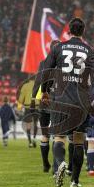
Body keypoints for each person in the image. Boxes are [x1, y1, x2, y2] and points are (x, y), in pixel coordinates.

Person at [41, 17, 94, 187]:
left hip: (61, 99)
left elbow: (47, 70)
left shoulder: (58, 47)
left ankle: (60, 164)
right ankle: (75, 180)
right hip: (81, 102)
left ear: (69, 30)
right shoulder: (90, 51)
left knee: (59, 137)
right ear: (83, 31)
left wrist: (45, 91)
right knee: (78, 141)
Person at [31, 40, 60, 173]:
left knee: (45, 135)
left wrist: (33, 96)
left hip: (44, 100)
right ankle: (55, 166)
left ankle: (45, 164)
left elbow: (39, 80)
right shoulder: (62, 64)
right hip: (57, 101)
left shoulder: (43, 63)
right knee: (57, 135)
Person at [18, 76, 38, 148]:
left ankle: (30, 142)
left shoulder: (25, 86)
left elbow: (20, 99)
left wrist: (20, 105)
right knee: (35, 123)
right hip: (36, 106)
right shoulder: (38, 85)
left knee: (28, 125)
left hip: (27, 107)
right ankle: (34, 139)